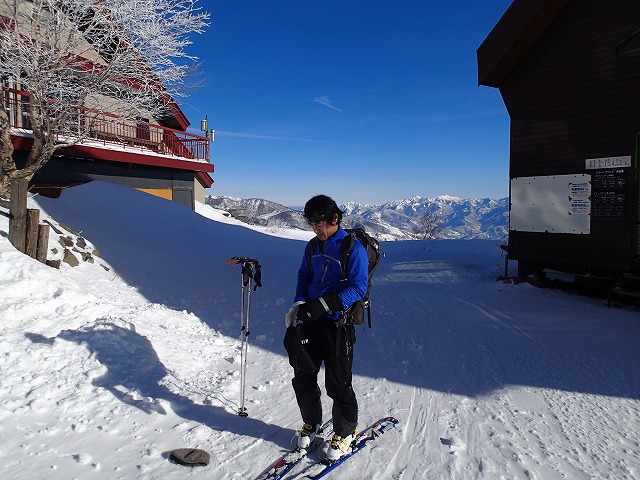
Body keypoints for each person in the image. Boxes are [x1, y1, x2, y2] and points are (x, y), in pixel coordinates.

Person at [283, 194, 369, 462]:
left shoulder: (352, 248)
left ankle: (345, 431)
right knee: (303, 375)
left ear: (334, 218)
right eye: (311, 223)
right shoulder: (312, 247)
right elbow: (304, 275)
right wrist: (299, 303)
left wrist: (322, 304)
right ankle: (312, 423)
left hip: (337, 323)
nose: (315, 229)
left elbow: (358, 287)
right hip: (309, 319)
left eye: (319, 223)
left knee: (338, 381)